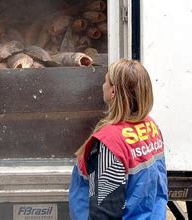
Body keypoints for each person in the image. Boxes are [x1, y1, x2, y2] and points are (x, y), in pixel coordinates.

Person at [69, 59, 168, 219]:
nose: (103, 85)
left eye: (105, 81)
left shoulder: (109, 143)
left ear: (112, 92)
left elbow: (104, 213)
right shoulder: (150, 126)